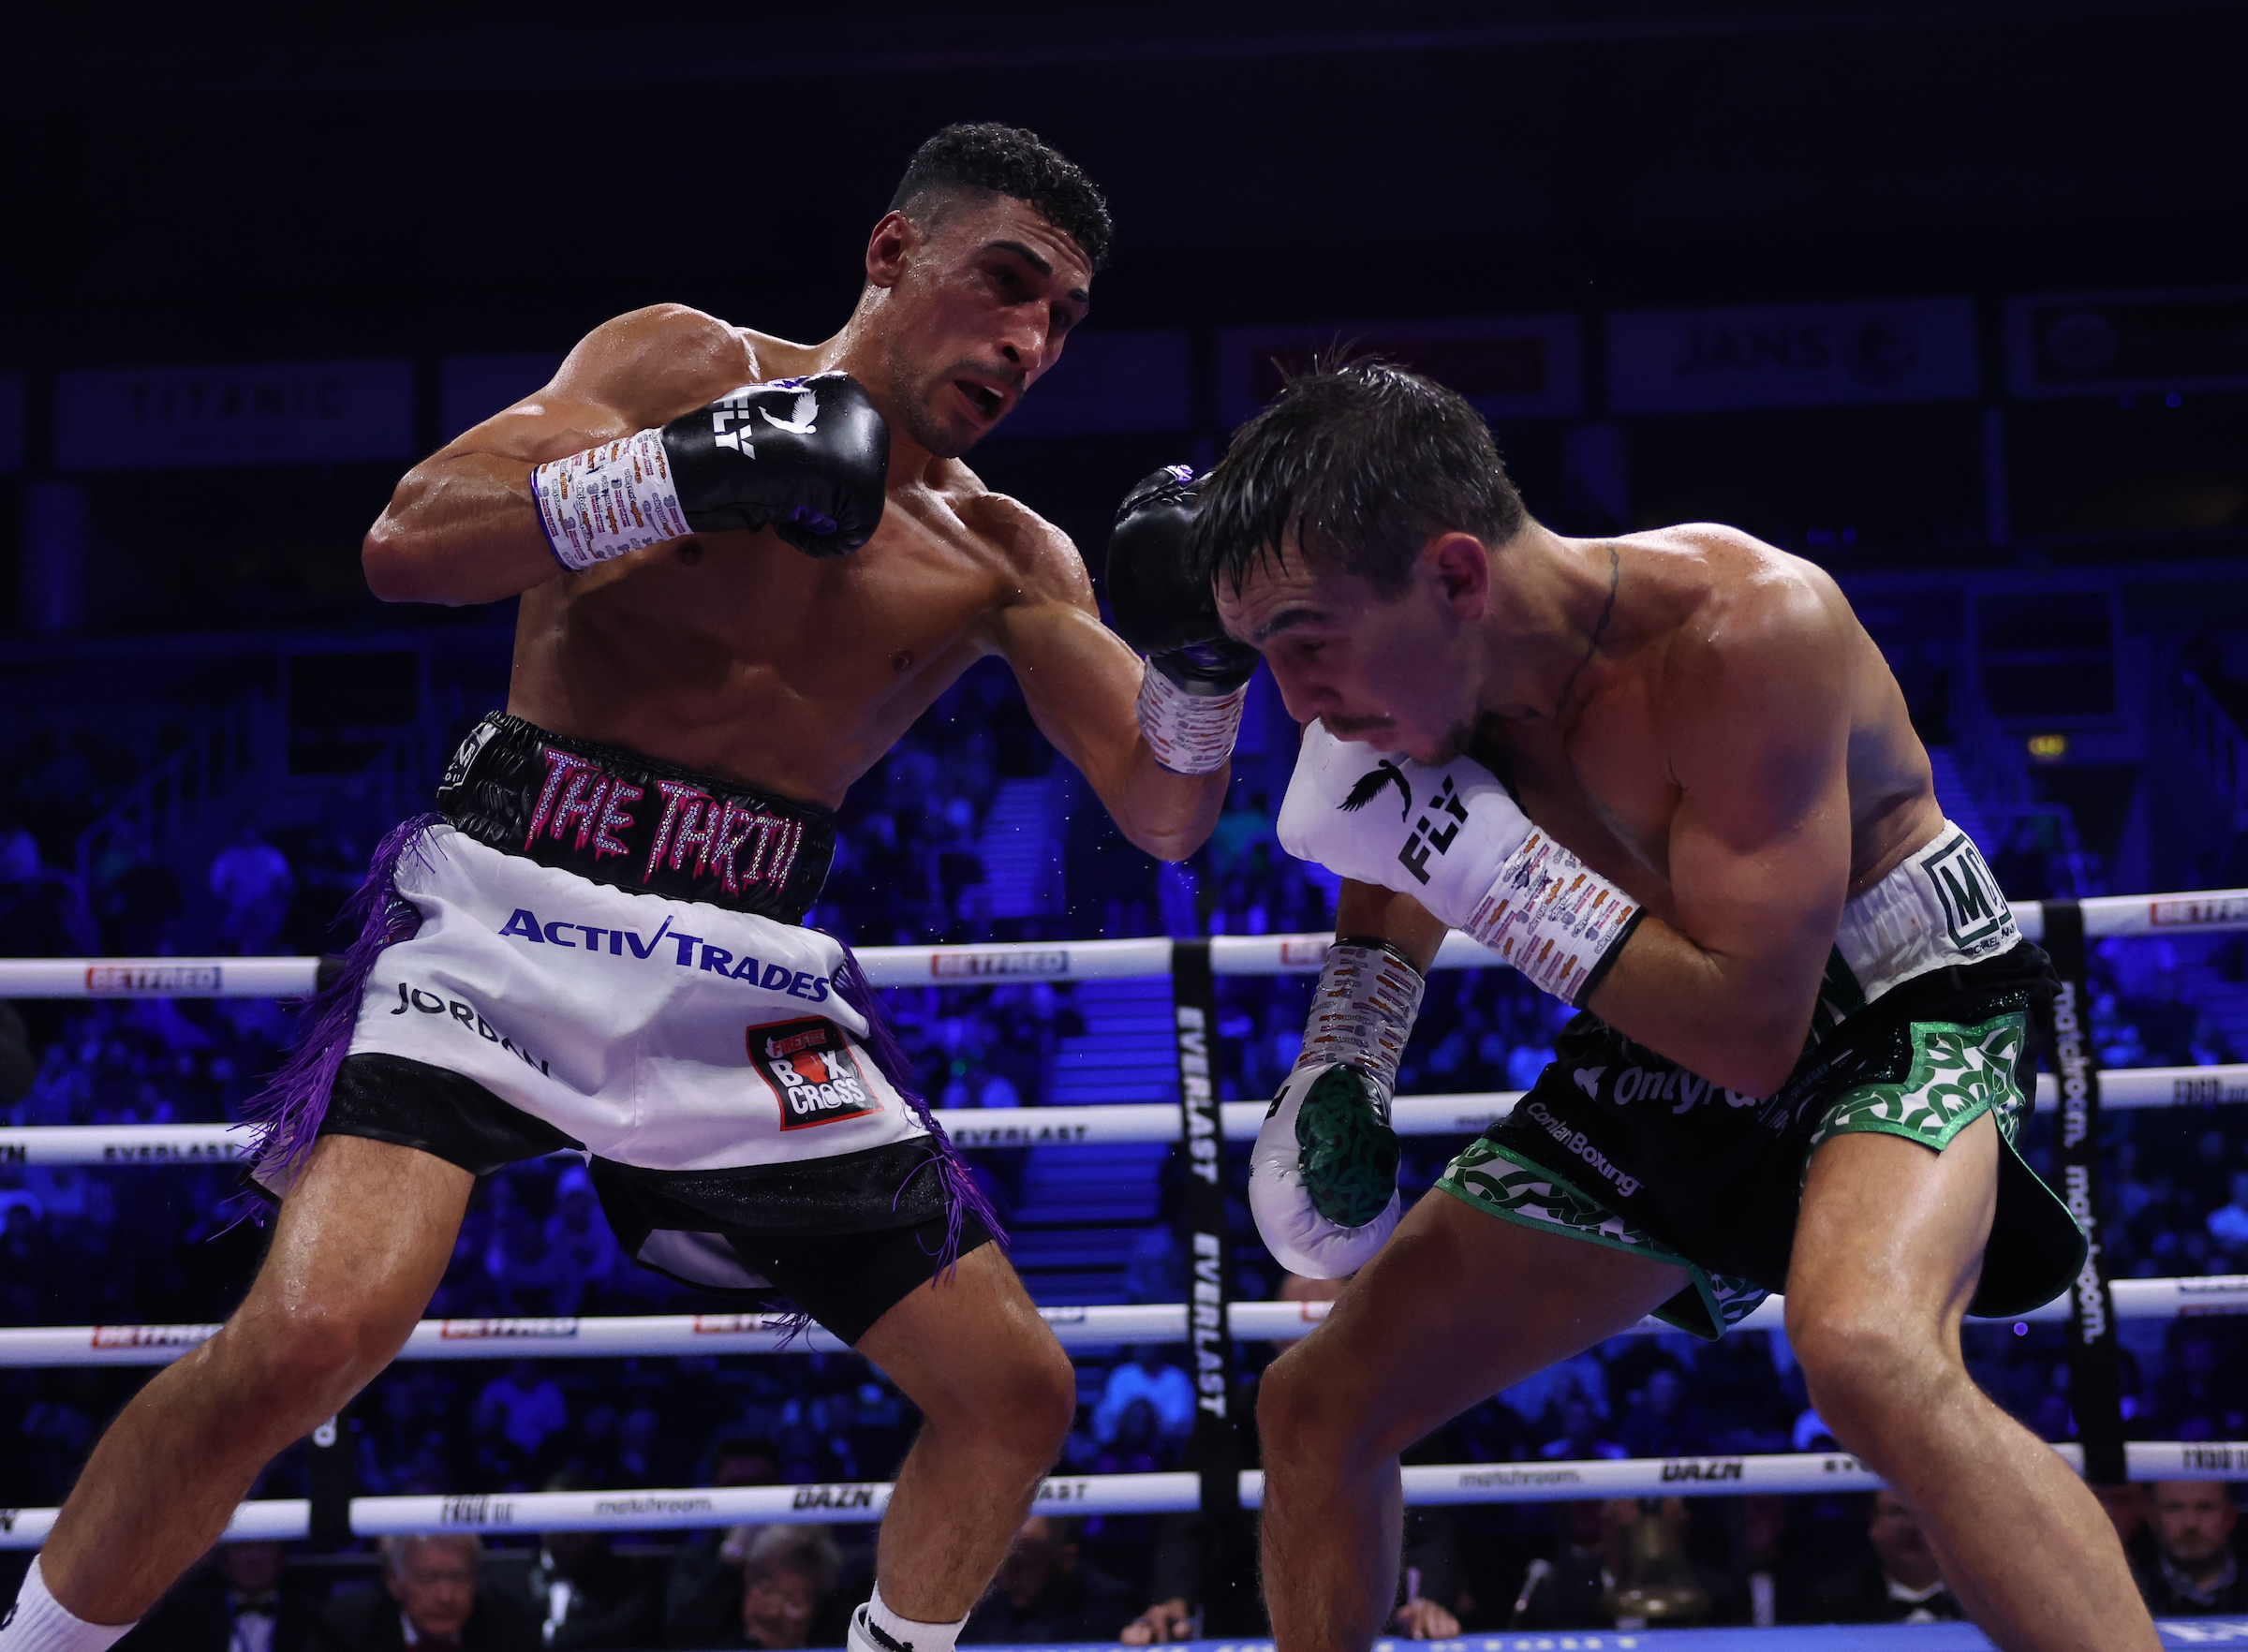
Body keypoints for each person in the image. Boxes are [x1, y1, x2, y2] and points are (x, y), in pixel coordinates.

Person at [3, 125, 1247, 1652]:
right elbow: (409, 545)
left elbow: (1165, 808)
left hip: (739, 983)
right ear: (892, 254)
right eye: (1007, 283)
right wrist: (681, 476)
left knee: (1013, 1390)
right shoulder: (678, 365)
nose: (1030, 339)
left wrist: (1207, 657)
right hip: (505, 916)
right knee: (308, 1333)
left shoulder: (1002, 552)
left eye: (1063, 317)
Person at [1170, 360, 2146, 1649]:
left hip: (1890, 1007)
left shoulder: (1748, 636)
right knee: (1313, 1407)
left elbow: (1752, 1034)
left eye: (1307, 643)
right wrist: (1349, 1054)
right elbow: (1397, 854)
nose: (1297, 704)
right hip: (1655, 1034)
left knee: (1866, 1351)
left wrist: (1486, 864)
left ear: (1458, 577)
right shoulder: (1414, 670)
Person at [308, 1536, 539, 1651]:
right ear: (394, 1581)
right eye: (429, 1579)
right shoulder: (347, 1630)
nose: (446, 1597)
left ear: (476, 1579)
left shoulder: (511, 1631)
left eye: (459, 1578)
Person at [960, 1517, 1133, 1644]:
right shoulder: (981, 1609)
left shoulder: (1107, 1613)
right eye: (1001, 1566)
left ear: (1065, 1558)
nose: (1006, 1580)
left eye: (1021, 1564)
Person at [1809, 1492, 1966, 1625]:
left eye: (1922, 1513)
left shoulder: (1985, 1596)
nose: (1909, 1526)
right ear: (1872, 1522)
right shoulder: (1834, 1602)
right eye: (1896, 1512)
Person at [2141, 1481, 2244, 1615]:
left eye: (2205, 1508)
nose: (2190, 1524)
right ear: (2153, 1517)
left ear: (2231, 1515)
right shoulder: (2126, 1589)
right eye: (2174, 1508)